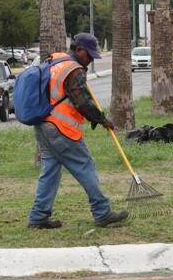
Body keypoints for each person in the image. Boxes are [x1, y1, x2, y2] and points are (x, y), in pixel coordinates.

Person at [28, 33, 129, 229]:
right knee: (85, 165)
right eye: (89, 55)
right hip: (60, 128)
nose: (90, 59)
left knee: (50, 170)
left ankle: (38, 216)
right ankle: (102, 212)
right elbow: (81, 101)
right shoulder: (73, 70)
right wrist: (101, 119)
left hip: (43, 124)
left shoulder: (56, 61)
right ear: (79, 49)